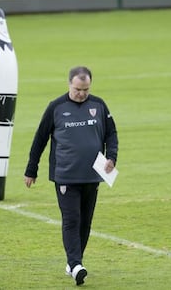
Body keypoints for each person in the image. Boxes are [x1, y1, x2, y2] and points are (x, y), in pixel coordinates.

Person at [24, 66, 118, 285]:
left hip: (92, 175)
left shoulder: (99, 105)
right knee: (72, 219)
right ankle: (76, 265)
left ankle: (74, 262)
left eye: (85, 89)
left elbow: (111, 133)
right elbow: (40, 139)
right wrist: (31, 169)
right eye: (78, 89)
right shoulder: (56, 107)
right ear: (69, 84)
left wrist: (112, 157)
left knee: (85, 221)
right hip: (65, 175)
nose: (82, 94)